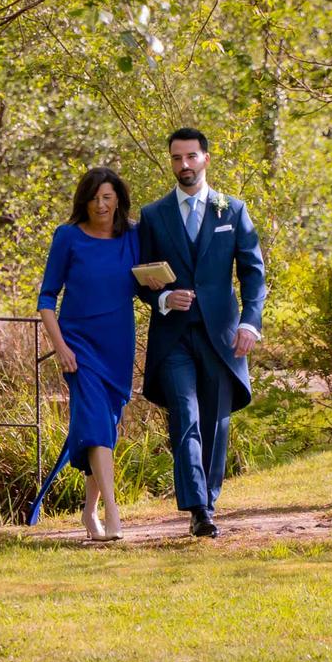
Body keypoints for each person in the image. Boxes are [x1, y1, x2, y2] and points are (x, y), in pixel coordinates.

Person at [136, 127, 266, 538]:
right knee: (185, 417)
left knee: (214, 421)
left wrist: (250, 322)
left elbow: (253, 273)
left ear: (205, 158)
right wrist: (163, 299)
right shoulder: (153, 215)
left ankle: (208, 502)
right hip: (172, 337)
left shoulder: (234, 211)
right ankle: (196, 509)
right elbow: (139, 279)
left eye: (191, 157)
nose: (184, 165)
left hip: (222, 337)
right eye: (176, 158)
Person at [27, 167, 139, 540]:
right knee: (95, 425)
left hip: (118, 347)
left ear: (118, 200)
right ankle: (113, 513)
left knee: (103, 428)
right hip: (79, 346)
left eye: (108, 197)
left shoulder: (132, 237)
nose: (101, 205)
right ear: (83, 201)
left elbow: (149, 278)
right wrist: (60, 347)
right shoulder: (68, 237)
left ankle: (88, 512)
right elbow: (46, 298)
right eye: (94, 198)